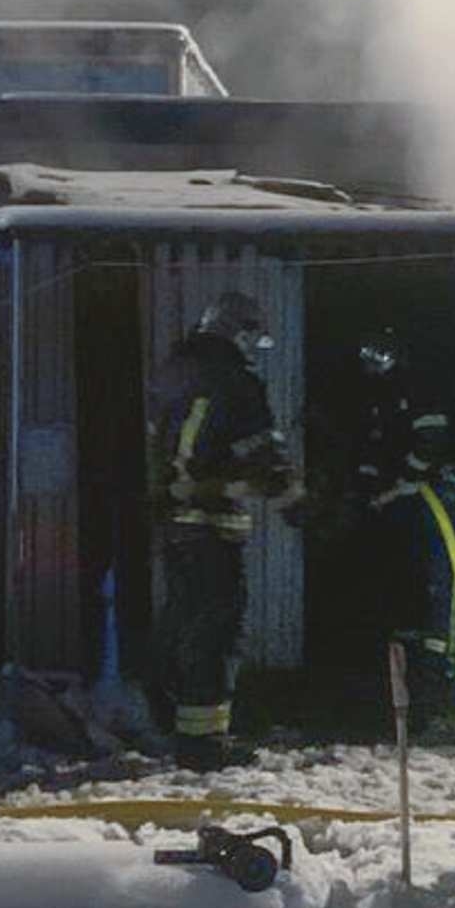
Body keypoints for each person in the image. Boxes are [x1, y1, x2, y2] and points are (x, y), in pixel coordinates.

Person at [148, 291, 298, 771]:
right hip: (211, 522)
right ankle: (203, 744)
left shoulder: (173, 374)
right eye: (254, 338)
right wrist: (302, 507)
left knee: (183, 621)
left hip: (173, 522)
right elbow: (266, 460)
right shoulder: (236, 383)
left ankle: (173, 721)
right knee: (215, 629)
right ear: (241, 333)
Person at [343, 328, 455, 727]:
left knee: (447, 587)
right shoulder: (382, 396)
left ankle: (447, 681)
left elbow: (431, 442)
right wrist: (372, 486)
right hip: (416, 501)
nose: (370, 369)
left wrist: (404, 480)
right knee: (422, 585)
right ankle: (425, 674)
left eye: (375, 361)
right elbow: (379, 446)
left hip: (446, 498)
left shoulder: (418, 388)